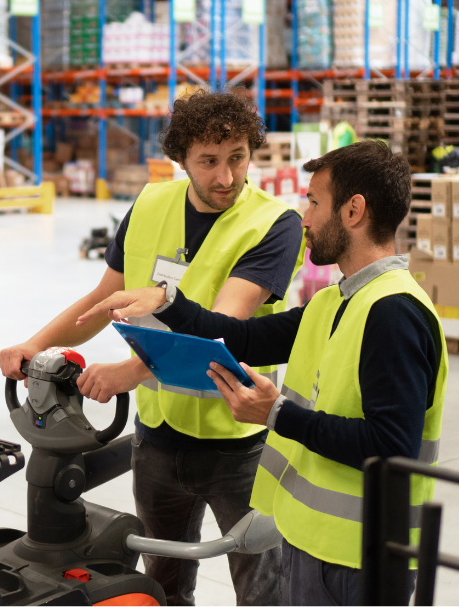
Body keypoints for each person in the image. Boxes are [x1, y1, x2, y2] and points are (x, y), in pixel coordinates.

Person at [78, 140, 448, 606]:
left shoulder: (394, 312)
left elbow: (392, 447)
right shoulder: (335, 301)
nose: (305, 217)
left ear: (354, 211)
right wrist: (167, 303)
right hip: (312, 543)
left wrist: (275, 413)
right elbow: (243, 338)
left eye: (314, 201)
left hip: (360, 560)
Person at [0, 89, 305, 606]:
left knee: (262, 590)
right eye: (208, 162)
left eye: (237, 158)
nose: (226, 177)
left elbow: (222, 326)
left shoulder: (275, 224)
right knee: (162, 586)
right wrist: (35, 344)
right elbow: (102, 297)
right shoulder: (150, 203)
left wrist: (127, 371)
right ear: (180, 159)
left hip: (239, 441)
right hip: (158, 437)